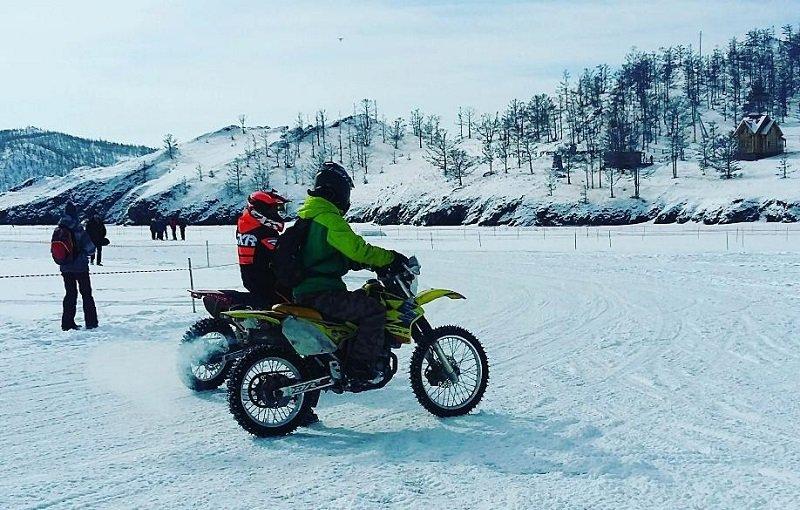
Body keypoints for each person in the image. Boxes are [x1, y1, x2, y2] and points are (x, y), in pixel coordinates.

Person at [294, 162, 407, 384]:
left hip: (308, 290)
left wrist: (362, 264)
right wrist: (390, 258)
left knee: (364, 300)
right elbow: (357, 248)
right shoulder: (328, 217)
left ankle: (342, 358)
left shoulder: (310, 215)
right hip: (321, 293)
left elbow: (332, 254)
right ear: (337, 189)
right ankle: (359, 368)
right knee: (373, 311)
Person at [236, 190, 291, 305]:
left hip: (254, 276)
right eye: (274, 209)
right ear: (262, 210)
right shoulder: (262, 230)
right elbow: (281, 254)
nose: (277, 213)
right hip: (266, 279)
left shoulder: (247, 224)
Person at [58, 202, 98, 331]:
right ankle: (91, 322)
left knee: (70, 294)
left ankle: (67, 323)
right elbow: (90, 248)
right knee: (86, 294)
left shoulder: (59, 228)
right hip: (80, 267)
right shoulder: (78, 229)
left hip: (65, 266)